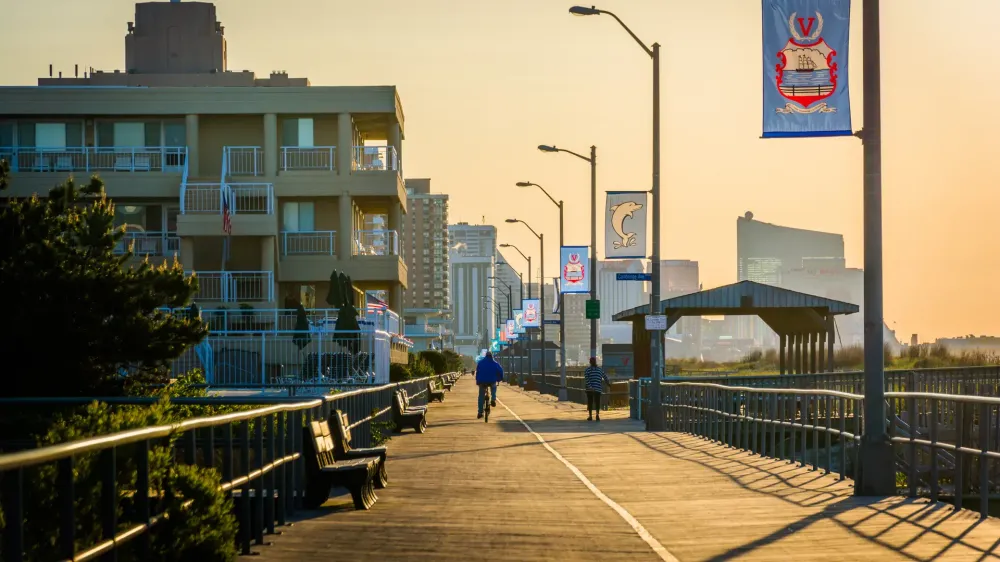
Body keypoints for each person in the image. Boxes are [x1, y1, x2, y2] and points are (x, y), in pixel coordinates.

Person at [475, 351, 504, 419]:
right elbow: (501, 372)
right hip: (492, 381)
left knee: (481, 396)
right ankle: (493, 399)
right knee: (493, 388)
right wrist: (499, 379)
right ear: (491, 356)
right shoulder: (495, 363)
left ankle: (480, 412)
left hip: (482, 381)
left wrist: (478, 381)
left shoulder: (480, 363)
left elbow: (477, 372)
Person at [584, 357, 610, 421]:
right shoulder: (600, 370)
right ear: (596, 362)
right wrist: (608, 384)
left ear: (590, 362)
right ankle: (597, 415)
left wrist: (590, 387)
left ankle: (590, 416)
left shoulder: (587, 370)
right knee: (597, 402)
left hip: (590, 389)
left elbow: (587, 380)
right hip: (598, 388)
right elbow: (605, 377)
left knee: (590, 402)